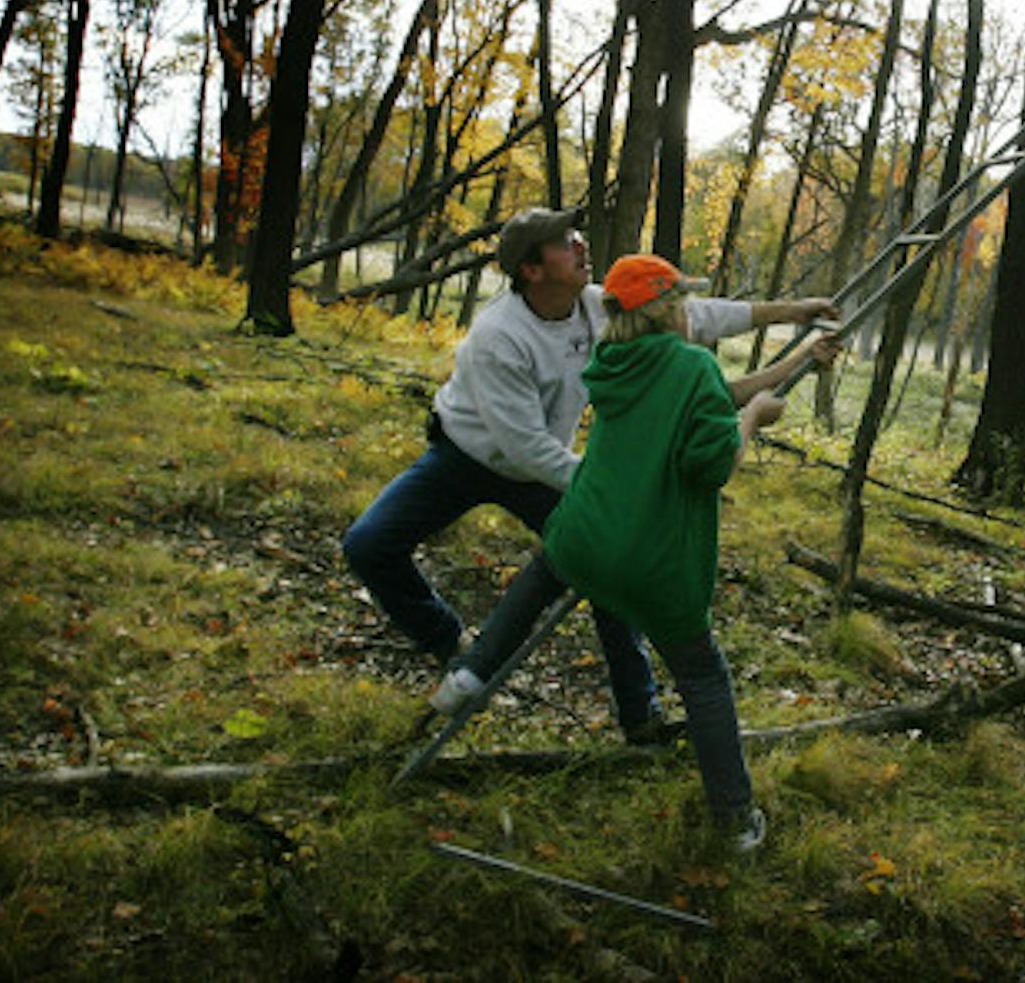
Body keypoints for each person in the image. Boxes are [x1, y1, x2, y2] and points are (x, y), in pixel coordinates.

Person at [339, 208, 835, 729]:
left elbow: (699, 315)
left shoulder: (594, 306)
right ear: (532, 270)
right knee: (368, 544)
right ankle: (448, 641)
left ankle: (639, 711)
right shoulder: (498, 337)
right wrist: (611, 491)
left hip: (544, 471)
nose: (580, 246)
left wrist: (793, 311)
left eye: (576, 235)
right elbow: (525, 446)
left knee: (606, 561)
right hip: (465, 456)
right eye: (564, 243)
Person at [538, 252, 786, 851]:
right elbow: (712, 463)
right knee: (703, 677)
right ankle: (735, 819)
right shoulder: (692, 364)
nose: (689, 312)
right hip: (655, 563)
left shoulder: (614, 361)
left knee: (540, 582)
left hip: (585, 538)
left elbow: (707, 398)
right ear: (667, 310)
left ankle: (468, 673)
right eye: (682, 301)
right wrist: (753, 418)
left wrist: (795, 362)